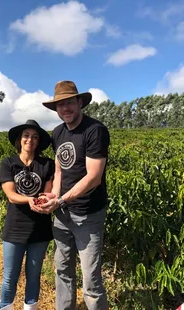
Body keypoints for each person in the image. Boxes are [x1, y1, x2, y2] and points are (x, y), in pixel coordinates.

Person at [40, 81, 110, 310]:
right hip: (62, 215)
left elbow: (93, 177)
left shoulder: (94, 130)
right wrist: (53, 197)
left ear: (80, 102)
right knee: (62, 270)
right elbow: (59, 170)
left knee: (91, 279)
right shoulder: (58, 133)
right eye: (60, 105)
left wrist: (60, 200)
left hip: (88, 215)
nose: (65, 108)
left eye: (69, 102)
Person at [0, 119, 54, 310]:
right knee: (10, 275)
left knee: (34, 274)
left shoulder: (47, 164)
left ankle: (30, 306)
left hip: (40, 229)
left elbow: (47, 191)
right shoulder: (9, 163)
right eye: (26, 136)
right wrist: (30, 199)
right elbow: (11, 195)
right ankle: (5, 306)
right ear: (20, 140)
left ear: (38, 142)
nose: (30, 139)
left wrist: (44, 200)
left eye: (35, 137)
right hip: (15, 228)